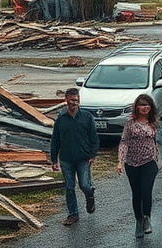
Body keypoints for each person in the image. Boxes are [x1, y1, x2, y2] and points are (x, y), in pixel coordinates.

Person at [50, 87, 99, 227]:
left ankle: (90, 195)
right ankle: (73, 214)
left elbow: (94, 138)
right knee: (70, 187)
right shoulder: (61, 119)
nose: (74, 103)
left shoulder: (87, 117)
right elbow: (55, 140)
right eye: (71, 100)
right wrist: (54, 159)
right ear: (66, 100)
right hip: (66, 159)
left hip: (83, 158)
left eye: (76, 100)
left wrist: (92, 155)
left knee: (84, 184)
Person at [117, 94, 162, 238]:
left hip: (149, 162)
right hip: (132, 162)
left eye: (147, 105)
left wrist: (158, 159)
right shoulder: (130, 123)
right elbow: (124, 141)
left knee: (146, 190)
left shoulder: (153, 121)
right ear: (136, 106)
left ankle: (146, 218)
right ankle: (138, 221)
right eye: (141, 105)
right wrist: (120, 161)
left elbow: (156, 141)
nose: (144, 107)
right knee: (136, 193)